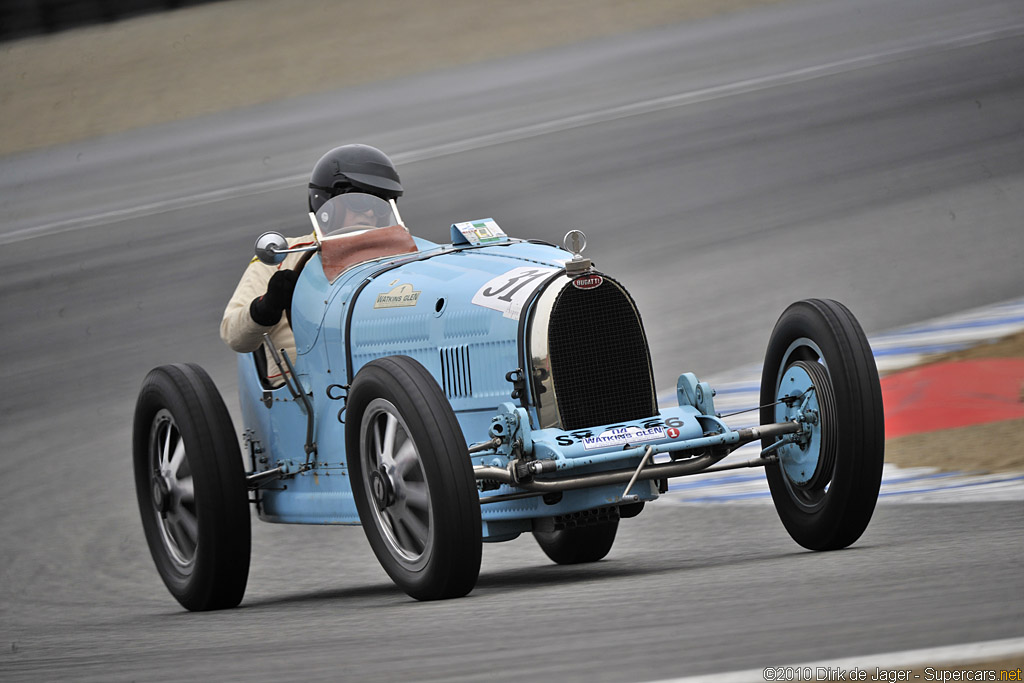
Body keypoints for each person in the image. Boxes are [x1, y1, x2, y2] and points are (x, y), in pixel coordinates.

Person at [220, 144, 404, 385]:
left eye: (378, 201)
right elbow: (233, 336)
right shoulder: (280, 257)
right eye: (358, 202)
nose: (370, 212)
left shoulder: (408, 256)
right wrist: (268, 306)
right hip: (304, 389)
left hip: (396, 376)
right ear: (328, 203)